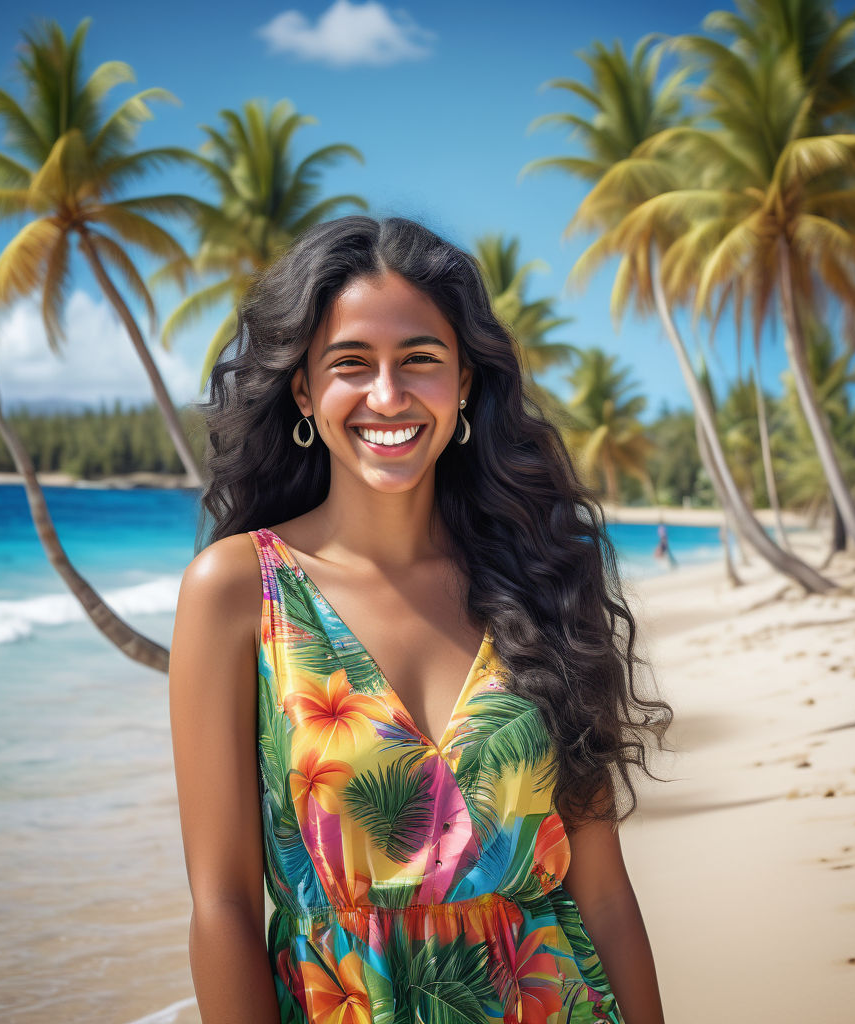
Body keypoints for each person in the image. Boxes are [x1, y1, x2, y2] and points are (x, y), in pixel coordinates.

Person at [169, 215, 673, 1024]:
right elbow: (222, 906)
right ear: (304, 389)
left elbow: (603, 891)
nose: (388, 396)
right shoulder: (237, 590)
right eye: (350, 365)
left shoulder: (542, 577)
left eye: (420, 361)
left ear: (465, 381)